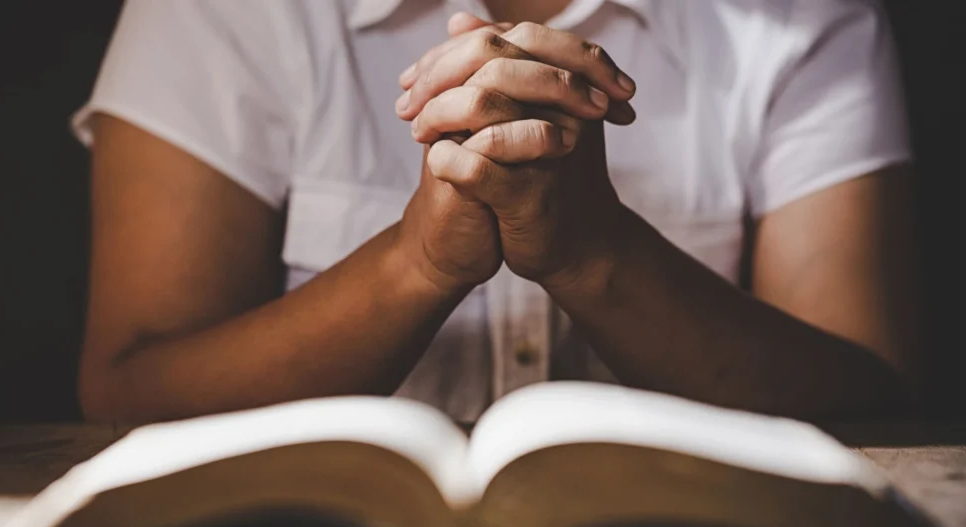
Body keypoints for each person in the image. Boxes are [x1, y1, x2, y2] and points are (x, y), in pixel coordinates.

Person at [75, 0, 919, 424]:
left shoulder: (799, 21)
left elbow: (874, 408)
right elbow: (126, 391)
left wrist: (595, 252)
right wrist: (418, 262)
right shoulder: (222, 13)